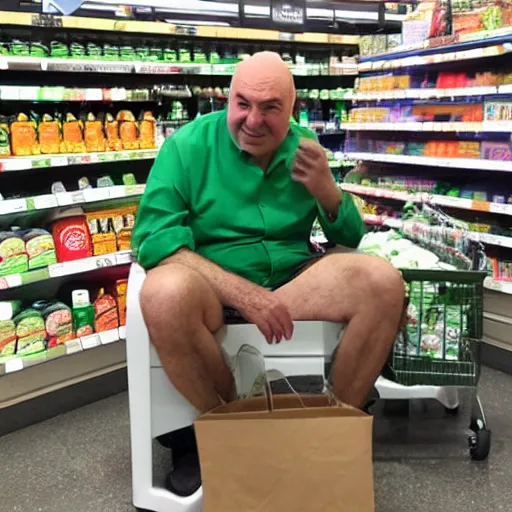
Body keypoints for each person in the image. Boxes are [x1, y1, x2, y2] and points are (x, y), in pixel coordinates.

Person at [131, 51, 405, 497]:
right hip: (212, 286)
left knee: (382, 283)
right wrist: (245, 295)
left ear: (292, 110)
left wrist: (327, 191)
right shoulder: (186, 146)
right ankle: (224, 431)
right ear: (228, 99)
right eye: (242, 103)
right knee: (162, 294)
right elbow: (155, 240)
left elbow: (351, 235)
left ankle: (327, 432)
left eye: (270, 107)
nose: (253, 120)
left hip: (293, 280)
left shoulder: (305, 145)